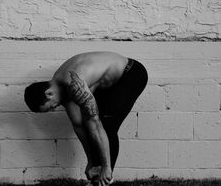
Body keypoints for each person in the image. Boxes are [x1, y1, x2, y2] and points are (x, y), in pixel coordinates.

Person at [24, 51, 148, 186]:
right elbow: (78, 125)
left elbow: (95, 124)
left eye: (51, 107)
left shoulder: (73, 84)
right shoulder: (60, 87)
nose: (54, 109)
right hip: (109, 84)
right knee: (87, 124)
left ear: (48, 93)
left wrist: (106, 166)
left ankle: (106, 178)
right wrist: (91, 162)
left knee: (106, 126)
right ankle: (97, 177)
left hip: (131, 74)